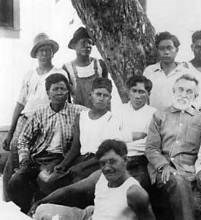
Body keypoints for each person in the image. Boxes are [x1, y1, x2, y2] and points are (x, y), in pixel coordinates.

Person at [7, 73, 85, 213]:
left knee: (46, 180)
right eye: (55, 89)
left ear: (68, 91)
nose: (59, 92)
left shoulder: (79, 111)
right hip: (37, 158)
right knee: (16, 181)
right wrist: (24, 158)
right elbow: (23, 139)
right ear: (48, 92)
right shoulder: (39, 113)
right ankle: (27, 211)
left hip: (61, 159)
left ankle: (39, 209)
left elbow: (96, 116)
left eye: (62, 88)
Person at [2, 33, 66, 201]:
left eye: (47, 50)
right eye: (40, 51)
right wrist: (10, 131)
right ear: (36, 54)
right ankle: (8, 198)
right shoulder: (30, 74)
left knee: (37, 158)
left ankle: (30, 199)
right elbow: (21, 103)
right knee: (16, 151)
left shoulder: (59, 72)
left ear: (53, 52)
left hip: (46, 120)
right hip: (26, 119)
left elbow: (65, 98)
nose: (44, 54)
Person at [145, 74, 201, 220]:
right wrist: (163, 166)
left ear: (195, 96)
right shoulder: (160, 115)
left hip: (190, 170)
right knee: (178, 182)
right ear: (173, 91)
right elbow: (151, 148)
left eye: (189, 92)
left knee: (198, 204)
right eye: (180, 90)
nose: (184, 94)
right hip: (164, 170)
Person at [31, 139, 156, 220]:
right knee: (43, 210)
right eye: (103, 163)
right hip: (90, 215)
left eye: (112, 162)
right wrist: (41, 202)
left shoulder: (134, 191)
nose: (107, 168)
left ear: (125, 160)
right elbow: (71, 190)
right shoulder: (101, 176)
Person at [50, 77, 138, 186]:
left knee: (77, 181)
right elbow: (75, 148)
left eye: (105, 96)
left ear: (110, 99)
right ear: (90, 95)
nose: (101, 98)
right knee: (52, 180)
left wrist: (81, 166)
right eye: (98, 94)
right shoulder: (81, 117)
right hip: (81, 159)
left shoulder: (112, 119)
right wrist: (63, 164)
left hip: (98, 161)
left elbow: (107, 152)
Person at [63, 27, 122, 110]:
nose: (87, 46)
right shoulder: (67, 68)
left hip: (100, 114)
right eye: (83, 43)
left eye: (90, 43)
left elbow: (107, 93)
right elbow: (67, 99)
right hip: (80, 115)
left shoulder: (100, 64)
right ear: (74, 46)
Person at [115, 75, 156, 190]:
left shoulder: (153, 113)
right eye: (134, 91)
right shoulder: (119, 110)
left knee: (135, 188)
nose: (137, 96)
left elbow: (148, 143)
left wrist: (121, 140)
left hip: (140, 160)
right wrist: (133, 136)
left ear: (148, 94)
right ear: (128, 92)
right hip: (118, 158)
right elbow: (110, 136)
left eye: (142, 92)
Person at [143, 31, 190, 110]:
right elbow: (144, 96)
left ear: (176, 50)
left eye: (169, 48)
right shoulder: (149, 71)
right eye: (162, 49)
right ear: (157, 50)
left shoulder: (185, 72)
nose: (166, 52)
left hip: (177, 118)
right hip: (154, 118)